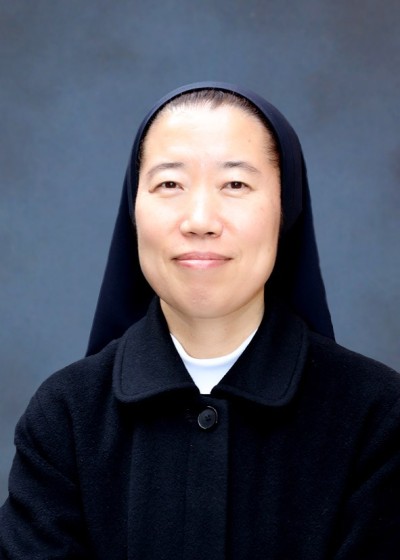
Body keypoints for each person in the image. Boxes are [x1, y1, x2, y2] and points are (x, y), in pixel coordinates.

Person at [1, 82, 399, 559]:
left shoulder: (378, 417)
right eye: (170, 184)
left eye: (235, 184)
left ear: (286, 208)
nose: (200, 220)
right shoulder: (65, 416)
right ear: (133, 208)